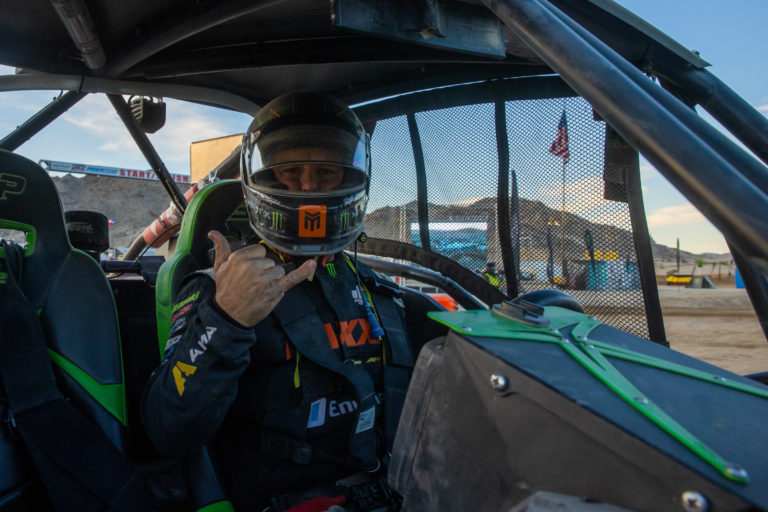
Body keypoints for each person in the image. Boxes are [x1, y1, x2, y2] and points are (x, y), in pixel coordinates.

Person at [142, 92, 417, 511]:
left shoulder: (376, 289)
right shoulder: (219, 288)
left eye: (326, 171)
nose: (308, 187)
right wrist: (227, 319)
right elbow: (165, 428)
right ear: (262, 180)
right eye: (290, 171)